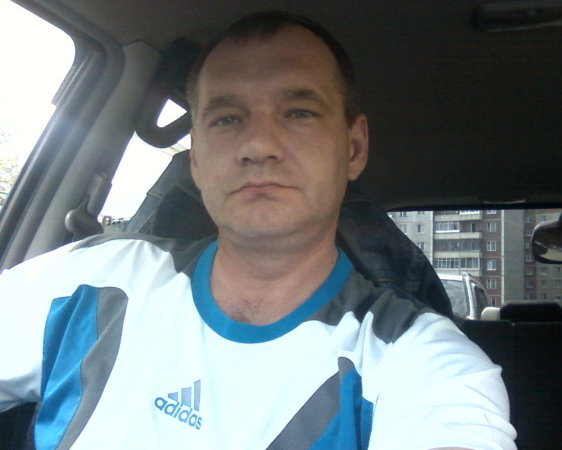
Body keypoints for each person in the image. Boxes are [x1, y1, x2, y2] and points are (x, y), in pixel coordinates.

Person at [0, 11, 516, 449]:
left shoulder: (418, 360)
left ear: (354, 148)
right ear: (195, 158)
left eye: (299, 112)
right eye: (227, 119)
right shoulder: (91, 277)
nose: (259, 145)